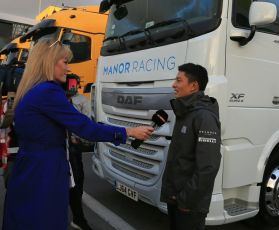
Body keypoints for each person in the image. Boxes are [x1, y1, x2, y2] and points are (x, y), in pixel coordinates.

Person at [2, 38, 154, 230]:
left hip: (30, 168)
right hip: (45, 172)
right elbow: (87, 128)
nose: (68, 69)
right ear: (49, 62)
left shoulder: (30, 91)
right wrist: (129, 131)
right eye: (65, 62)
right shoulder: (47, 92)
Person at [160, 63, 221, 230]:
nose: (174, 85)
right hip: (177, 198)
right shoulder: (185, 112)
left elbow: (208, 166)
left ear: (194, 86)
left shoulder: (204, 117)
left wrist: (187, 200)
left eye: (179, 80)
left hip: (189, 204)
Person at [63, 74, 94, 230]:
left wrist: (77, 138)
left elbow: (87, 123)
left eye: (75, 84)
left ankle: (78, 217)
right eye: (70, 83)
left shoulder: (82, 100)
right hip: (60, 148)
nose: (72, 86)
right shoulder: (56, 100)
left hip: (73, 148)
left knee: (77, 181)